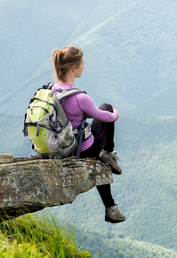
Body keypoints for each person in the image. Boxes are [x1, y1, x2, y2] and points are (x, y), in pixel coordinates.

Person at [51, 45, 126, 223]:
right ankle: (108, 153)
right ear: (73, 68)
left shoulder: (52, 89)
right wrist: (115, 113)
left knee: (98, 159)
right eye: (82, 64)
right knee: (106, 107)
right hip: (81, 149)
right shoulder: (79, 98)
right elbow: (104, 116)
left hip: (61, 145)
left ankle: (111, 208)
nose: (84, 66)